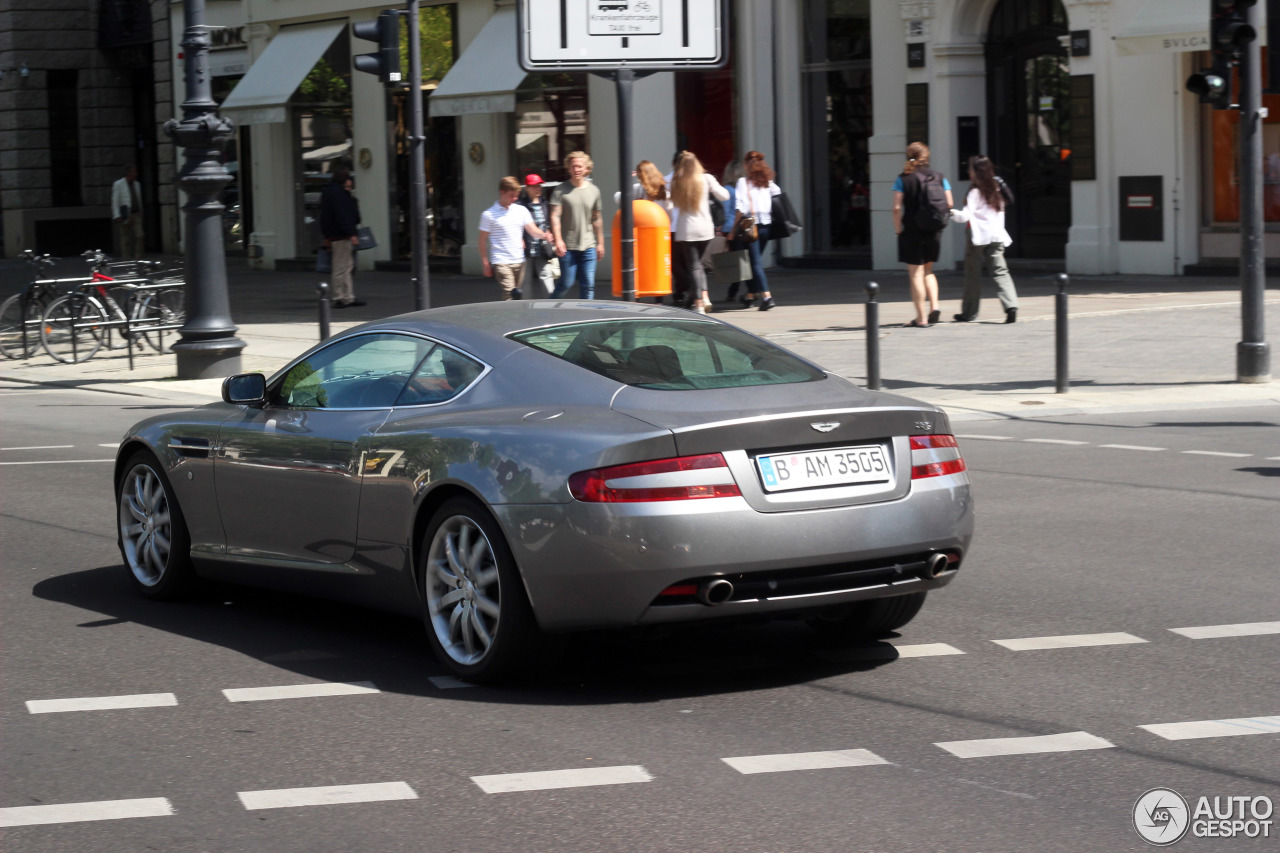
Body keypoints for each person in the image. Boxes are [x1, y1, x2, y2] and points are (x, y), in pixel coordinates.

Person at [950, 155, 1019, 323]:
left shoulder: (974, 191)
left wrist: (950, 212)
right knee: (1000, 271)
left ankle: (969, 313)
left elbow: (965, 216)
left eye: (970, 168)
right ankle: (1011, 306)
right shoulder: (997, 189)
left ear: (976, 171)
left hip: (978, 237)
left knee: (973, 274)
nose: (968, 171)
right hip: (996, 235)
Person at [893, 142, 953, 327]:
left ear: (908, 156)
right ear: (926, 156)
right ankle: (934, 307)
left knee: (915, 274)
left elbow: (896, 208)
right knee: (928, 270)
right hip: (934, 230)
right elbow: (949, 203)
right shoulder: (939, 177)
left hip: (912, 230)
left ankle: (921, 318)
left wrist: (898, 229)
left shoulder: (903, 179)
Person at [670, 151, 729, 314]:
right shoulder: (707, 179)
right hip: (705, 228)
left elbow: (672, 203)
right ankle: (703, 297)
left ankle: (698, 303)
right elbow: (725, 196)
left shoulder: (677, 181)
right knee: (699, 265)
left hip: (686, 228)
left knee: (694, 265)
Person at [479, 176, 551, 300]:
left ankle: (514, 317)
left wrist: (544, 235)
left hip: (519, 260)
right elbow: (482, 240)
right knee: (510, 294)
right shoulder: (488, 214)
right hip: (501, 260)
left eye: (517, 195)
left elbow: (533, 231)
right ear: (501, 192)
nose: (515, 199)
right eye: (511, 195)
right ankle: (512, 318)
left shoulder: (521, 210)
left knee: (517, 294)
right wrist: (486, 263)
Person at [550, 150, 605, 299]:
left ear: (587, 168)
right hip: (568, 246)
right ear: (568, 168)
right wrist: (558, 240)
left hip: (589, 245)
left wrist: (600, 243)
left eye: (580, 166)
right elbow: (555, 216)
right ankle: (548, 308)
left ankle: (587, 316)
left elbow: (596, 218)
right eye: (573, 166)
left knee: (588, 284)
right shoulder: (560, 190)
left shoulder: (594, 191)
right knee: (566, 283)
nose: (576, 170)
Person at [734, 150, 782, 311]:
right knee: (755, 263)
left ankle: (767, 296)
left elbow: (741, 207)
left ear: (747, 165)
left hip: (750, 226)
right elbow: (778, 194)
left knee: (754, 263)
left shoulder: (743, 182)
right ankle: (750, 295)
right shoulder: (767, 182)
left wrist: (733, 229)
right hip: (766, 226)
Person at [319, 167, 365, 308]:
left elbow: (325, 217)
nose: (350, 182)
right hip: (341, 235)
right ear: (344, 180)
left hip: (334, 234)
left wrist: (326, 236)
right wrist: (352, 233)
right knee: (342, 267)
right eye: (349, 178)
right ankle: (340, 297)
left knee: (345, 266)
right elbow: (345, 216)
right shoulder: (340, 194)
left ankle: (347, 296)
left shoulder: (329, 193)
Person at [517, 174, 557, 296]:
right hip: (527, 248)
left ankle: (551, 307)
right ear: (527, 188)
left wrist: (550, 235)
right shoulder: (520, 205)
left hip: (542, 247)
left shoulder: (544, 203)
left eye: (539, 186)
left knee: (547, 278)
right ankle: (526, 310)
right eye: (534, 186)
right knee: (525, 283)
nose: (538, 189)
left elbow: (547, 224)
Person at [720, 159, 744, 302]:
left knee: (734, 262)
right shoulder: (743, 189)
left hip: (731, 229)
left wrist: (726, 231)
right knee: (742, 261)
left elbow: (726, 213)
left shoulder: (727, 190)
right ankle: (741, 290)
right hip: (744, 229)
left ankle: (733, 291)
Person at [111, 165, 145, 261]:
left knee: (140, 235)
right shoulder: (118, 184)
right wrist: (117, 215)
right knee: (125, 239)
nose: (136, 174)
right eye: (134, 172)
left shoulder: (137, 184)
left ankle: (138, 257)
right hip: (125, 214)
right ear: (128, 173)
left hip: (136, 214)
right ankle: (127, 258)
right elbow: (115, 201)